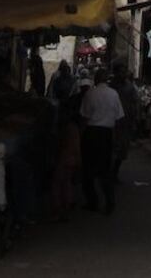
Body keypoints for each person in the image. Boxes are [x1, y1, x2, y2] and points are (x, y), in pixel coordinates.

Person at [79, 68, 124, 214]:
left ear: (96, 79)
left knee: (88, 170)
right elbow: (119, 119)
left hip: (91, 133)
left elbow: (84, 117)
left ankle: (93, 201)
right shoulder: (114, 94)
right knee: (105, 170)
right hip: (106, 134)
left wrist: (80, 135)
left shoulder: (90, 93)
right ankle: (109, 202)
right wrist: (117, 139)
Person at [50, 91, 84, 221]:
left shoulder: (66, 127)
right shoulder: (74, 127)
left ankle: (58, 210)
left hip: (64, 158)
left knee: (57, 184)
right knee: (66, 183)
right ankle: (66, 208)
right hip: (71, 159)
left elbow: (62, 144)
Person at [110, 62, 140, 183]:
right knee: (112, 148)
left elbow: (135, 103)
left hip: (125, 121)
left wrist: (135, 119)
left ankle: (115, 172)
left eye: (124, 71)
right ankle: (109, 173)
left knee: (122, 150)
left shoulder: (130, 87)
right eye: (121, 72)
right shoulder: (112, 87)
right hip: (112, 122)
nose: (123, 74)